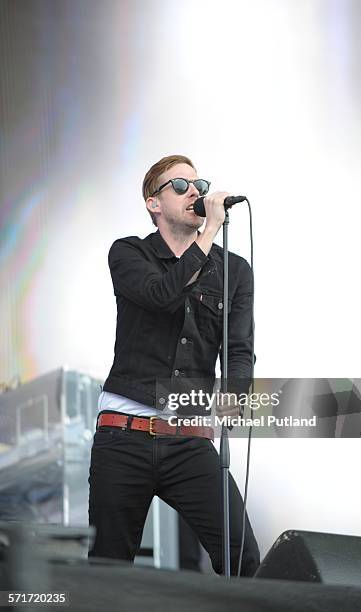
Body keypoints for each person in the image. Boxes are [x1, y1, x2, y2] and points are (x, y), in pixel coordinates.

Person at [88, 154, 260, 576]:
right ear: (154, 202)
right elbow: (163, 294)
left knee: (244, 558)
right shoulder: (129, 253)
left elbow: (238, 347)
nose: (196, 193)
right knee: (109, 568)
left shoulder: (234, 271)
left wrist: (236, 394)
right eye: (180, 186)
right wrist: (213, 230)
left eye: (199, 185)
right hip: (124, 435)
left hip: (189, 438)